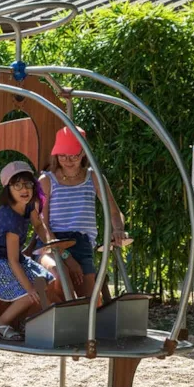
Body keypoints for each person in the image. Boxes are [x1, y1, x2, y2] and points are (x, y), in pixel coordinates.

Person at [35, 126, 128, 300]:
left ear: (83, 153)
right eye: (63, 155)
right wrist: (65, 256)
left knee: (90, 299)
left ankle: (88, 322)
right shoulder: (47, 180)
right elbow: (42, 226)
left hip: (83, 244)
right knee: (62, 280)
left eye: (74, 155)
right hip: (53, 245)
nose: (68, 160)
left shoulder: (94, 178)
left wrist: (117, 229)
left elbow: (115, 213)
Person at [0, 161, 56, 341]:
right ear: (8, 189)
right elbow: (12, 260)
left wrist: (50, 241)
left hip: (12, 259)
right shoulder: (10, 218)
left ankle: (27, 321)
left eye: (27, 184)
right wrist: (29, 288)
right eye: (17, 185)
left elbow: (38, 224)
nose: (23, 189)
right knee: (29, 292)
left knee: (44, 281)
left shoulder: (29, 204)